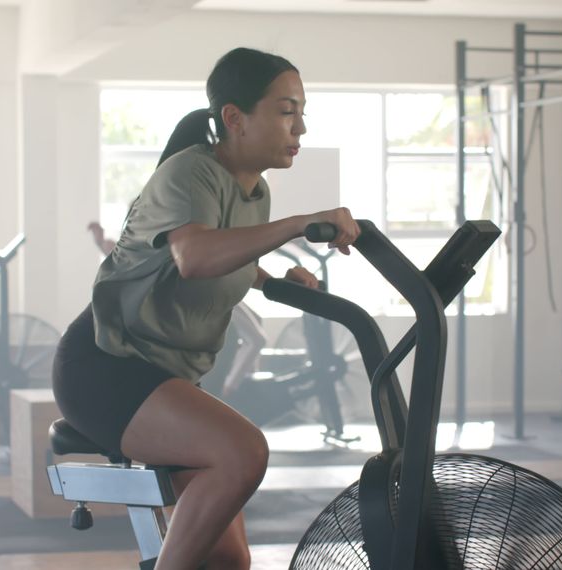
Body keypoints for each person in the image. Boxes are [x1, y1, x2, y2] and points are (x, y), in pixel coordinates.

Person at [52, 47, 360, 570]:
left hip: (166, 379)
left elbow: (226, 253)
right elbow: (193, 256)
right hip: (107, 369)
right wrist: (298, 224)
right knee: (243, 451)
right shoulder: (188, 173)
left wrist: (272, 280)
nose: (300, 128)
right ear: (235, 118)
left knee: (226, 563)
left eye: (302, 112)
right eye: (287, 111)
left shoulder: (253, 190)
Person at [87, 219, 266, 399]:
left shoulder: (208, 285)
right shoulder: (163, 275)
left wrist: (230, 384)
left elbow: (256, 339)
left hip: (203, 387)